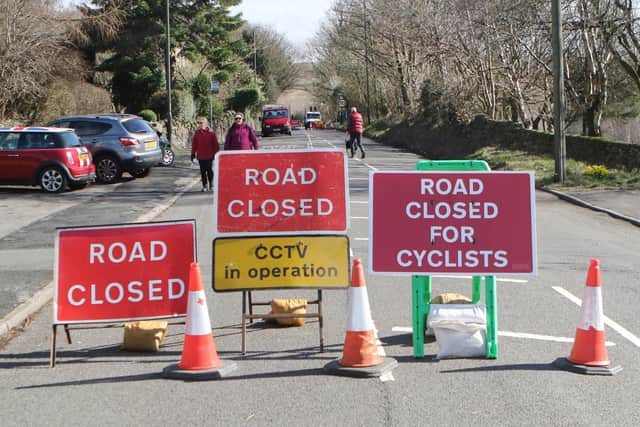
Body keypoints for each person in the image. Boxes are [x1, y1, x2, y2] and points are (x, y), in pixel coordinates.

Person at [191, 116, 219, 192]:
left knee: (209, 170)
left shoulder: (211, 133)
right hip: (201, 155)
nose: (200, 124)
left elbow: (215, 145)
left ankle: (211, 184)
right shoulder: (197, 133)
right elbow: (194, 144)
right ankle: (204, 186)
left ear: (206, 123)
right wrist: (193, 153)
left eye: (201, 123)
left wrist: (216, 154)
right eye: (199, 123)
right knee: (202, 171)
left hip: (209, 155)